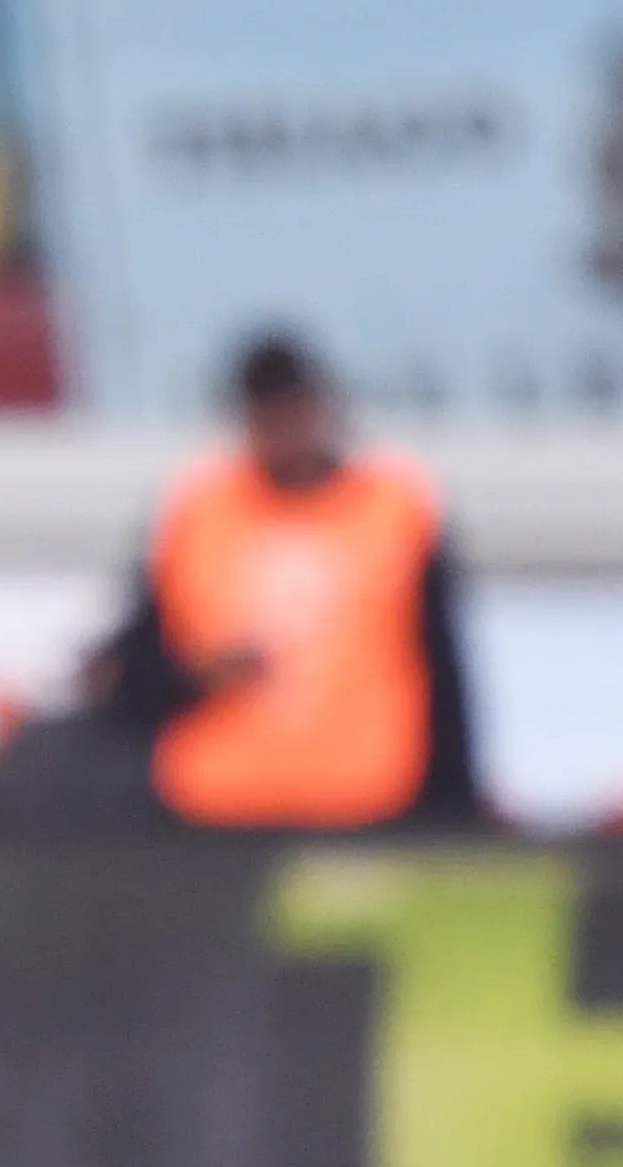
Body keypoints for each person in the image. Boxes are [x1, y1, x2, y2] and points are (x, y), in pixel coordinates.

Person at [88, 331, 484, 830]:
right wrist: (197, 675)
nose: (283, 432)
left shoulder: (394, 508)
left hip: (366, 803)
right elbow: (135, 663)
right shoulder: (201, 509)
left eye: (293, 410)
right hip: (217, 808)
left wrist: (457, 811)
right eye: (266, 415)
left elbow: (445, 672)